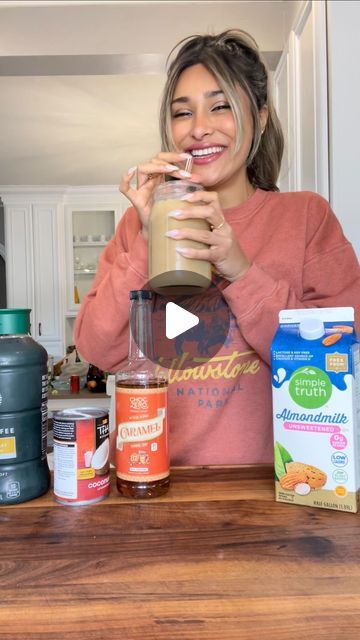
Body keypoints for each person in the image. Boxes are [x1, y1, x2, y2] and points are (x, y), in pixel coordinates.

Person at [74, 29, 360, 466]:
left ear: (261, 118)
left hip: (274, 488)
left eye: (220, 106)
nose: (199, 128)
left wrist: (241, 272)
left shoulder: (305, 218)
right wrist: (148, 241)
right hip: (150, 480)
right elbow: (100, 351)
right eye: (181, 113)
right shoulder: (141, 221)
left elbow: (338, 362)